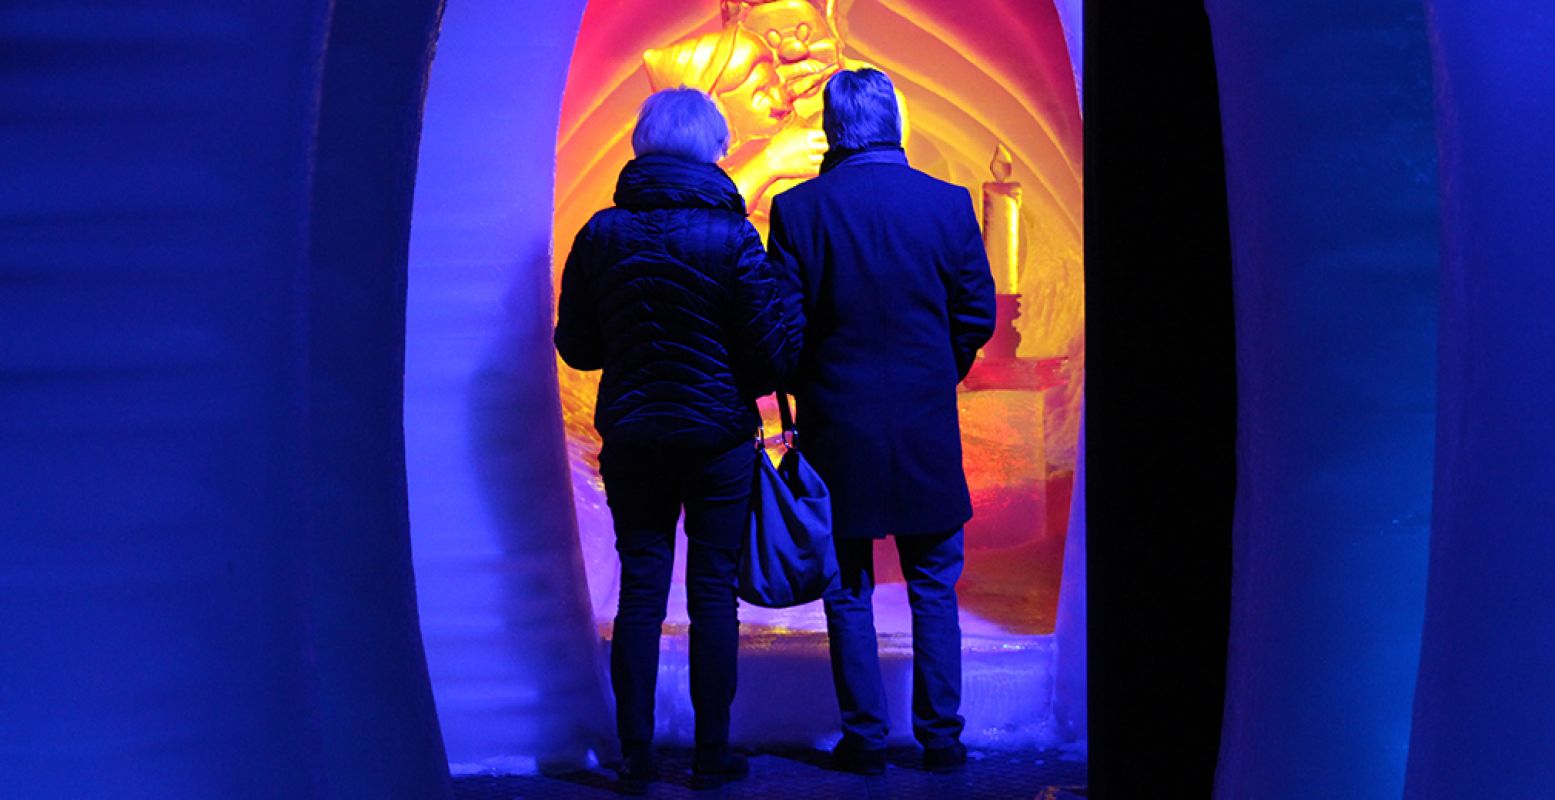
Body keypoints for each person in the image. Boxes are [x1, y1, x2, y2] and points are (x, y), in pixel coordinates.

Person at [553, 87, 791, 793]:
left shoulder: (599, 234)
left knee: (641, 591)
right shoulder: (734, 235)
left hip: (631, 433)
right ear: (715, 149)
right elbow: (771, 355)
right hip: (717, 436)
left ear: (641, 145)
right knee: (714, 591)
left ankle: (634, 754)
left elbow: (577, 347)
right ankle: (712, 753)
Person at [766, 67, 997, 775]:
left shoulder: (798, 210)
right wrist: (935, 376)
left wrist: (813, 390)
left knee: (848, 588)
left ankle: (864, 740)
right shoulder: (948, 204)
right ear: (894, 121)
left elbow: (785, 329)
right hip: (925, 422)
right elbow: (976, 315)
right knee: (934, 583)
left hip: (838, 427)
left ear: (832, 128)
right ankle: (942, 738)